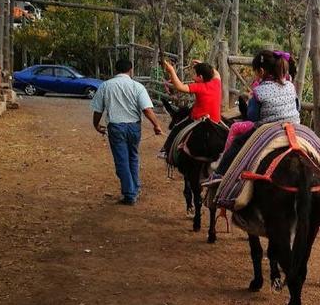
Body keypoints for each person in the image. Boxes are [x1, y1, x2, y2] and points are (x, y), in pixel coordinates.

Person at [207, 50, 300, 183]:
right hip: (294, 127)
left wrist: (251, 100)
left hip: (268, 129)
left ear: (261, 71)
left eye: (255, 72)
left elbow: (252, 118)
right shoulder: (290, 85)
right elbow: (297, 107)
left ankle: (220, 173)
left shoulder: (259, 91)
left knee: (238, 142)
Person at [91, 58, 163, 205]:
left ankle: (130, 194)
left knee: (122, 161)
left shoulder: (105, 86)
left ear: (116, 70)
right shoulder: (137, 87)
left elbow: (98, 110)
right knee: (133, 157)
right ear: (131, 70)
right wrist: (156, 125)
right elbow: (147, 110)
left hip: (116, 127)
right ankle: (135, 188)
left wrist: (96, 125)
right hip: (134, 127)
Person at [159, 60, 222, 159]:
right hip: (215, 121)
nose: (193, 77)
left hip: (199, 121)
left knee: (177, 127)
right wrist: (204, 64)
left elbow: (179, 86)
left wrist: (171, 70)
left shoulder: (199, 87)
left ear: (200, 77)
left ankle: (166, 150)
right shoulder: (216, 83)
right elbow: (216, 73)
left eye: (195, 75)